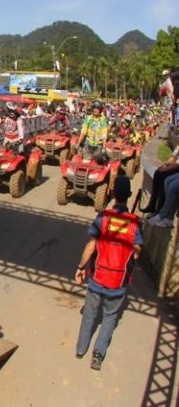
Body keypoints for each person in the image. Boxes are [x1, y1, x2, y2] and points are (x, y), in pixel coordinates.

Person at [75, 176, 142, 370]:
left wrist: (81, 267)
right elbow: (136, 254)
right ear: (129, 195)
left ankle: (81, 348)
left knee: (89, 313)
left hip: (97, 278)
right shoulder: (135, 223)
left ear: (112, 194)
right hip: (118, 283)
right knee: (110, 317)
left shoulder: (103, 217)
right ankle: (98, 355)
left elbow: (91, 246)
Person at [141, 145, 179, 214]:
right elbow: (173, 158)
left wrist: (165, 169)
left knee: (164, 179)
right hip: (175, 167)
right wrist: (164, 165)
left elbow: (177, 164)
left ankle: (159, 209)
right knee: (157, 172)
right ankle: (151, 205)